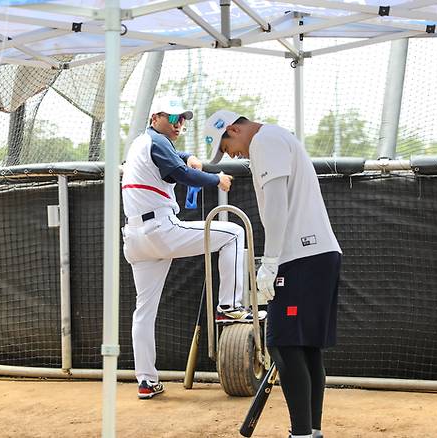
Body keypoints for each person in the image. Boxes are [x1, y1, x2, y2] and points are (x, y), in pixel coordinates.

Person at [204, 110, 342, 438]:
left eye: (227, 146)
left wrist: (271, 262)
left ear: (234, 129)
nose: (231, 155)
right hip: (315, 255)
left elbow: (277, 205)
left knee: (283, 343)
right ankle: (310, 432)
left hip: (302, 257)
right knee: (304, 348)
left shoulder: (265, 141)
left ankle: (302, 433)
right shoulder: (277, 138)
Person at [122, 96, 262, 400]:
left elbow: (174, 160)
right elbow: (181, 174)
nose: (179, 124)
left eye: (182, 119)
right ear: (156, 117)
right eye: (174, 119)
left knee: (143, 313)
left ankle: (146, 381)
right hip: (160, 229)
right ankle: (228, 306)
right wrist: (216, 179)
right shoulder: (156, 141)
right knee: (235, 232)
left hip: (135, 238)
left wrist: (187, 156)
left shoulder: (141, 142)